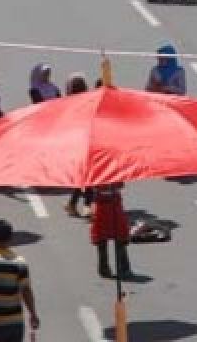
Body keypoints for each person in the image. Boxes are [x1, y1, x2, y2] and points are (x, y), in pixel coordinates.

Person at [90, 182, 132, 279]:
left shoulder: (95, 171)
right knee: (118, 237)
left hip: (102, 207)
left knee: (103, 239)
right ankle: (123, 267)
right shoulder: (113, 170)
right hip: (112, 207)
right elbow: (121, 185)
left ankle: (104, 268)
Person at [64, 74, 92, 216]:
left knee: (85, 175)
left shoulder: (69, 103)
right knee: (89, 174)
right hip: (84, 142)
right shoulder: (86, 101)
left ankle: (73, 204)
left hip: (78, 143)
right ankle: (87, 205)